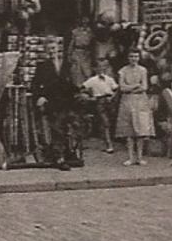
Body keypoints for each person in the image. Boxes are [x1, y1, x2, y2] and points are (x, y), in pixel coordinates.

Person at [32, 42, 82, 170]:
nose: (53, 51)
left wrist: (80, 91)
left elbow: (72, 83)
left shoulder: (67, 65)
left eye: (55, 49)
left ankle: (69, 153)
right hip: (52, 101)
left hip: (66, 101)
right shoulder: (43, 65)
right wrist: (40, 96)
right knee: (56, 129)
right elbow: (35, 84)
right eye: (50, 49)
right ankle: (59, 157)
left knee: (71, 127)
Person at [115, 48, 155, 166]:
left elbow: (144, 87)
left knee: (141, 128)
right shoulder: (123, 71)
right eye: (132, 56)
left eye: (136, 57)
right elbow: (122, 87)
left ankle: (140, 157)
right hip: (127, 101)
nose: (134, 59)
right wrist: (135, 86)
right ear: (128, 58)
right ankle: (131, 157)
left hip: (140, 100)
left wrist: (131, 87)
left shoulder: (143, 70)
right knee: (129, 129)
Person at [80, 61, 120, 154]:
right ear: (95, 69)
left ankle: (114, 141)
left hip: (110, 101)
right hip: (100, 101)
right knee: (105, 123)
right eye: (100, 67)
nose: (102, 68)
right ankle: (109, 145)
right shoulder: (92, 80)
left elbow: (116, 89)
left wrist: (113, 97)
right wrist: (89, 98)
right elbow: (82, 88)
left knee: (113, 121)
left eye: (104, 67)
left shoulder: (109, 79)